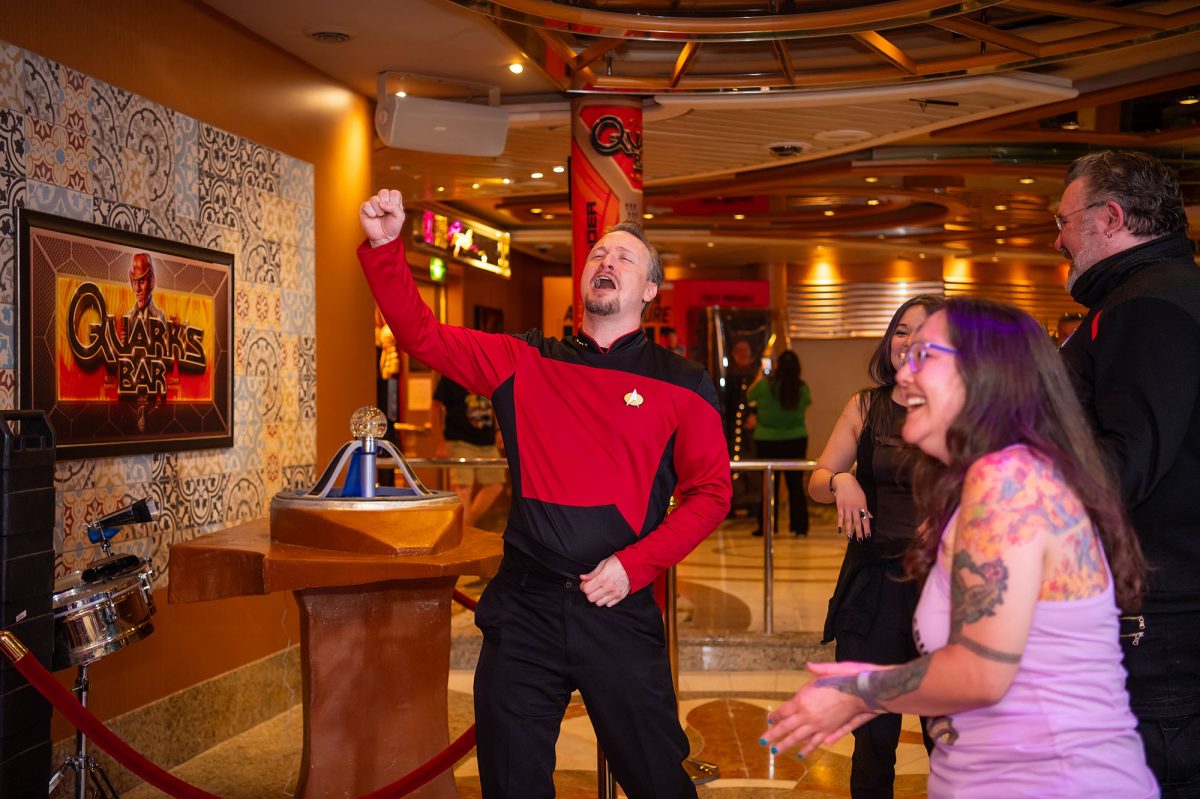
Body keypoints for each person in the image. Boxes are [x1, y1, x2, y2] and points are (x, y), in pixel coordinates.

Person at [357, 190, 731, 799]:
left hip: (617, 608)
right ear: (583, 280)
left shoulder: (683, 384)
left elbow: (711, 494)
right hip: (523, 610)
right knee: (511, 784)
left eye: (625, 258)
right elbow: (421, 336)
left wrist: (634, 566)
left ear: (649, 290)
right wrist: (385, 246)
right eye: (598, 254)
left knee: (660, 782)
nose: (607, 261)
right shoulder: (522, 359)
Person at [763, 299, 1156, 797]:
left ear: (984, 377)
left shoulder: (1008, 486)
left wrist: (860, 692)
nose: (906, 371)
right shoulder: (988, 482)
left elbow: (979, 673)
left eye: (926, 355)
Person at [1055, 149, 1200, 797]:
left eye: (1062, 222)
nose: (1058, 240)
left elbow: (1124, 463)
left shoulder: (1146, 306)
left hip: (1159, 616)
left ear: (1110, 218)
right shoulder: (1164, 293)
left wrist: (1011, 492)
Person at [806, 294, 940, 797]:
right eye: (901, 330)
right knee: (872, 738)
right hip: (874, 590)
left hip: (945, 592)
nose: (909, 341)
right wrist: (840, 479)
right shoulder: (866, 405)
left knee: (949, 737)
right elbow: (818, 478)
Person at [747, 350, 811, 536]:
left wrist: (760, 375)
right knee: (795, 484)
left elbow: (749, 396)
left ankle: (767, 526)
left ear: (777, 366)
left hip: (766, 440)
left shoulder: (764, 386)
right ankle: (800, 527)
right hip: (796, 439)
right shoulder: (802, 388)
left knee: (768, 485)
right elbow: (806, 404)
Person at [431, 374, 505, 527]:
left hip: (487, 442)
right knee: (462, 488)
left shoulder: (486, 374)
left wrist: (499, 430)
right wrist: (440, 442)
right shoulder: (450, 376)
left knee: (495, 485)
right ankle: (466, 531)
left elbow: (497, 403)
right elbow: (435, 407)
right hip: (460, 441)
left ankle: (468, 526)